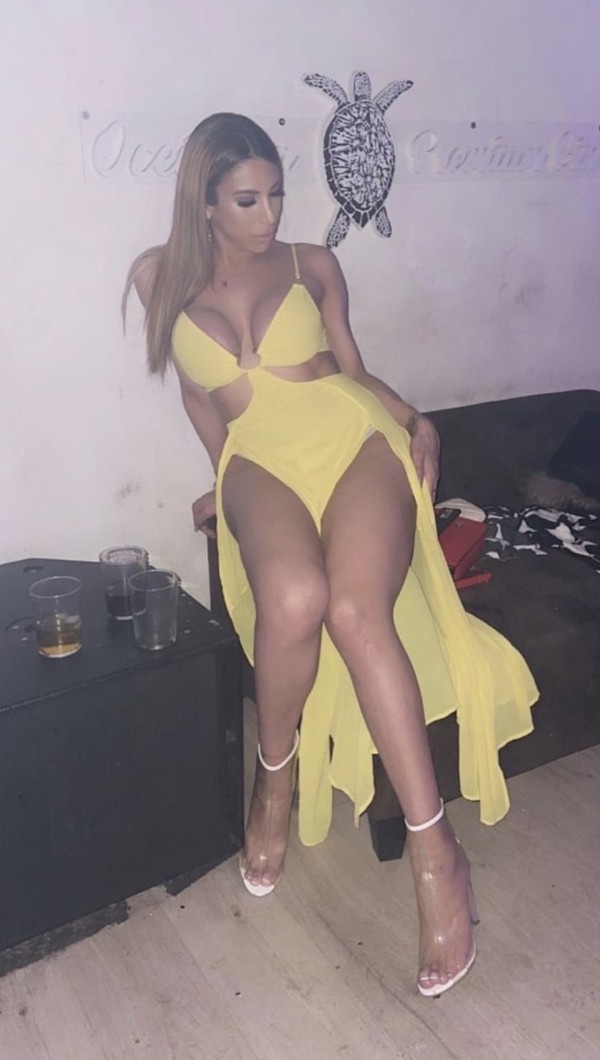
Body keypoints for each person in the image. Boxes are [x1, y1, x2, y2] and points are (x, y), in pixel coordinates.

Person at [123, 112, 537, 998]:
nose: (269, 214)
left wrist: (415, 418)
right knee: (294, 597)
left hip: (351, 438)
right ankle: (275, 781)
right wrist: (224, 478)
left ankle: (437, 857)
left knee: (354, 609)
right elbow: (199, 398)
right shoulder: (157, 277)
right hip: (259, 456)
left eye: (277, 194)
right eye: (247, 200)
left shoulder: (313, 264)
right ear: (204, 203)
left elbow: (350, 370)